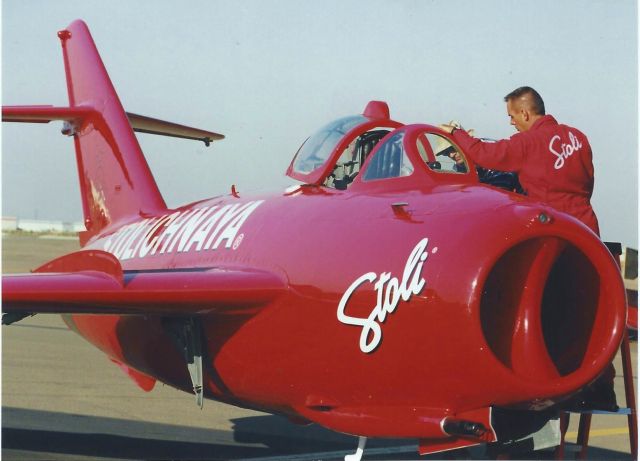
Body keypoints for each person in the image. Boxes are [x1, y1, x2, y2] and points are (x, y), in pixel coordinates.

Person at [440, 86, 599, 235]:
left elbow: (482, 153)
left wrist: (456, 132)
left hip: (553, 231)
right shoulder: (578, 137)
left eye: (512, 116)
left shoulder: (526, 143)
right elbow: (588, 182)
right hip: (587, 230)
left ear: (524, 114)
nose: (512, 122)